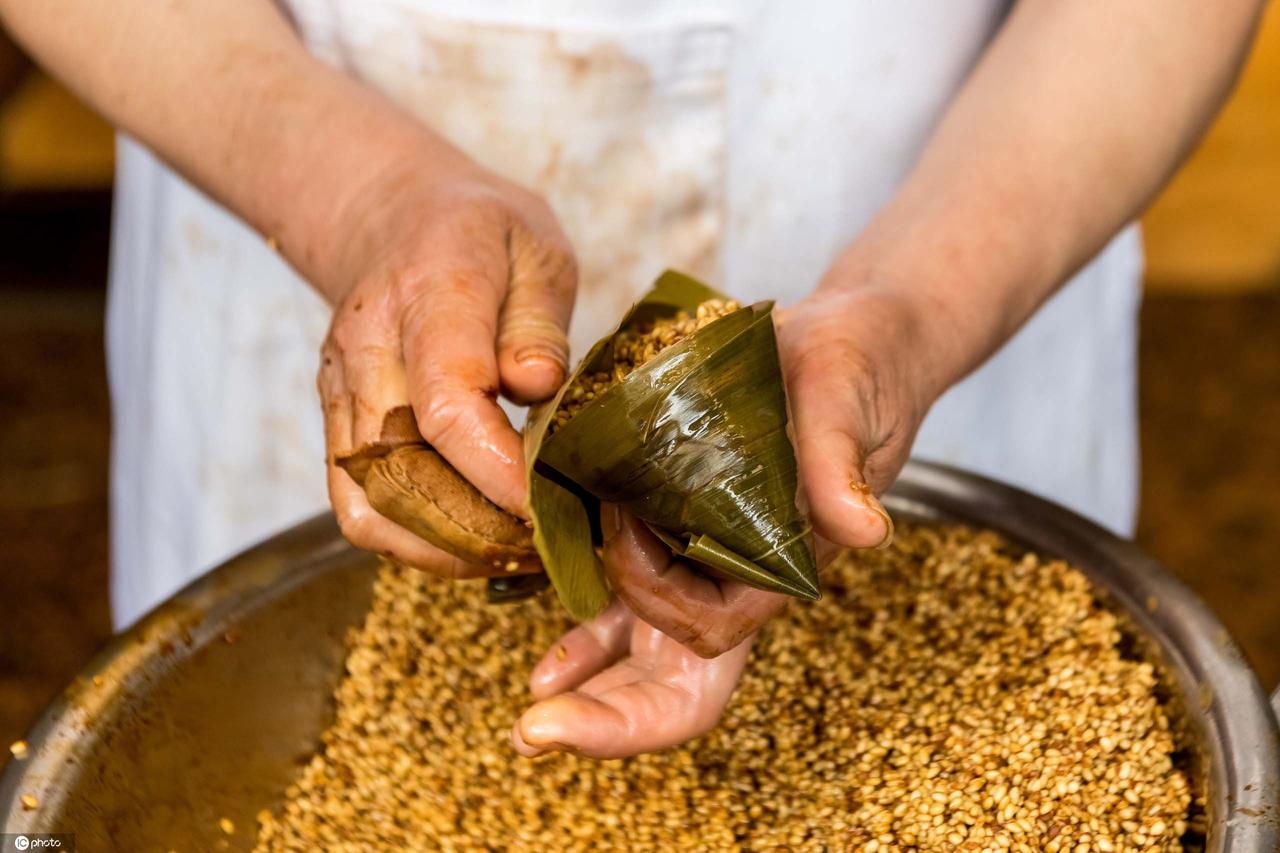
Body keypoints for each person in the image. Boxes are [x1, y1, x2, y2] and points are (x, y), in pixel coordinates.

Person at [0, 0, 1261, 759]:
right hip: (275, 140)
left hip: (981, 191)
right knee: (268, 737)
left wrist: (916, 308)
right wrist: (356, 197)